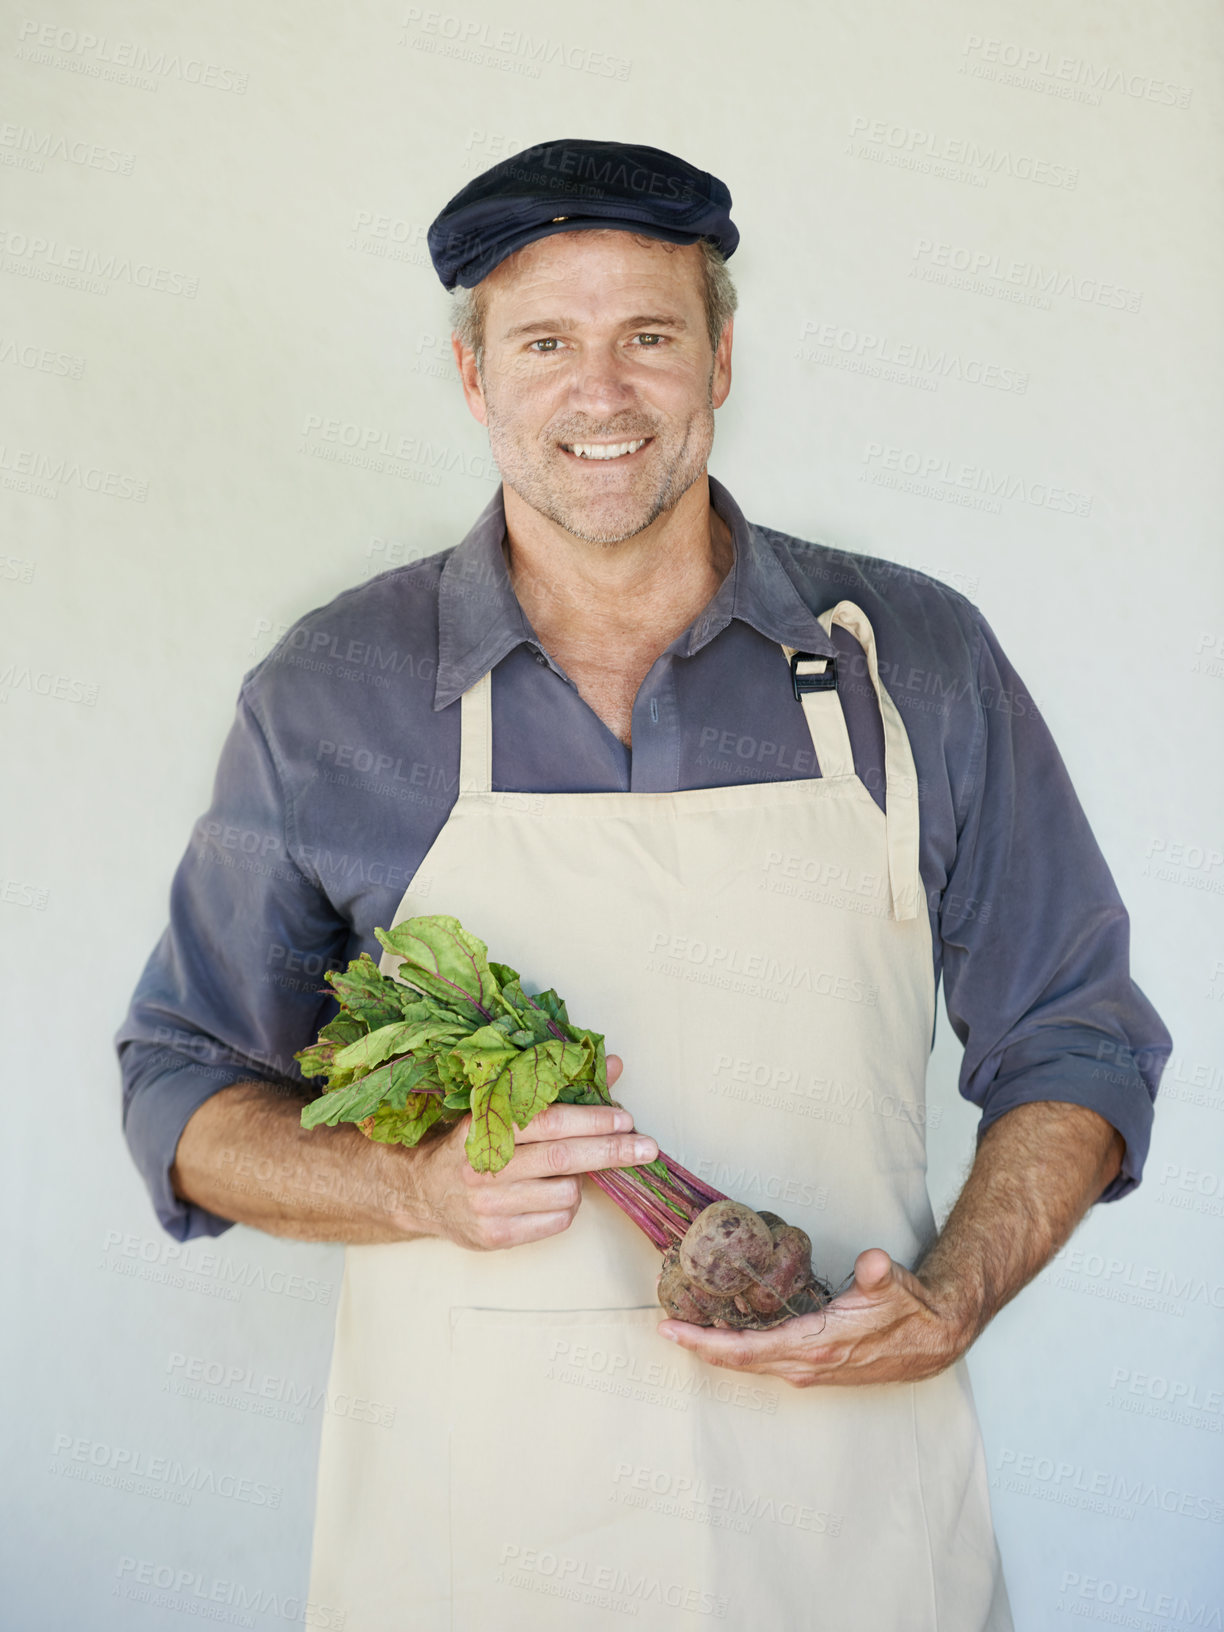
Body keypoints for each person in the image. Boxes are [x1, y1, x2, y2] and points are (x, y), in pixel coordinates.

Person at [116, 139, 1171, 1631]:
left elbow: (1078, 1036)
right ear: (476, 378)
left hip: (851, 1538)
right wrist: (410, 1183)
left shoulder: (912, 659)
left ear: (722, 357)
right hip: (476, 1547)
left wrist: (956, 1296)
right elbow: (186, 1087)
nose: (599, 394)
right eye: (546, 342)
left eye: (649, 338)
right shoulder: (333, 695)